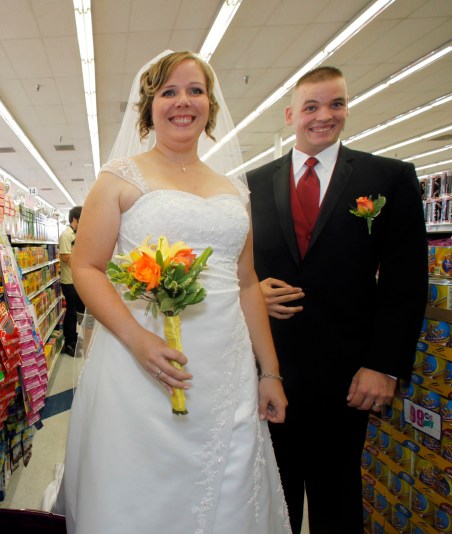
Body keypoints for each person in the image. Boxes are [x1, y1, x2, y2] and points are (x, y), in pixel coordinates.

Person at [59, 50, 291, 533]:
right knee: (143, 485)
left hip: (224, 368)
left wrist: (270, 372)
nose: (183, 101)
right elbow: (86, 266)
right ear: (149, 107)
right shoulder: (120, 178)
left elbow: (246, 282)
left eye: (195, 90)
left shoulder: (234, 189)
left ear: (210, 104)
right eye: (169, 91)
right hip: (139, 356)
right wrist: (138, 340)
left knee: (226, 484)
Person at [247, 66, 427, 532]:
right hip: (269, 367)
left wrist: (384, 365)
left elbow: (406, 283)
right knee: (271, 492)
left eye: (336, 104)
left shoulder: (388, 177)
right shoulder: (250, 185)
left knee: (338, 493)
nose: (324, 116)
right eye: (311, 106)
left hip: (349, 374)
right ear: (291, 114)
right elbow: (231, 268)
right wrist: (249, 295)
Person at [59, 206, 84, 356]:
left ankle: (74, 337)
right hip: (68, 281)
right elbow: (65, 256)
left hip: (76, 279)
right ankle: (69, 342)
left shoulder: (77, 234)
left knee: (75, 311)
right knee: (71, 312)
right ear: (75, 219)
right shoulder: (66, 235)